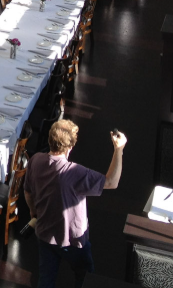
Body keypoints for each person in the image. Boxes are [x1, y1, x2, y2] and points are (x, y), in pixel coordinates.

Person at [23, 120, 127, 288]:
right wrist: (119, 149)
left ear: (50, 139)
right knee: (84, 277)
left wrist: (34, 213)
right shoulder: (74, 172)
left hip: (44, 235)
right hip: (73, 240)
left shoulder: (35, 160)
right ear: (70, 146)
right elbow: (112, 182)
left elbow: (27, 192)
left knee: (45, 280)